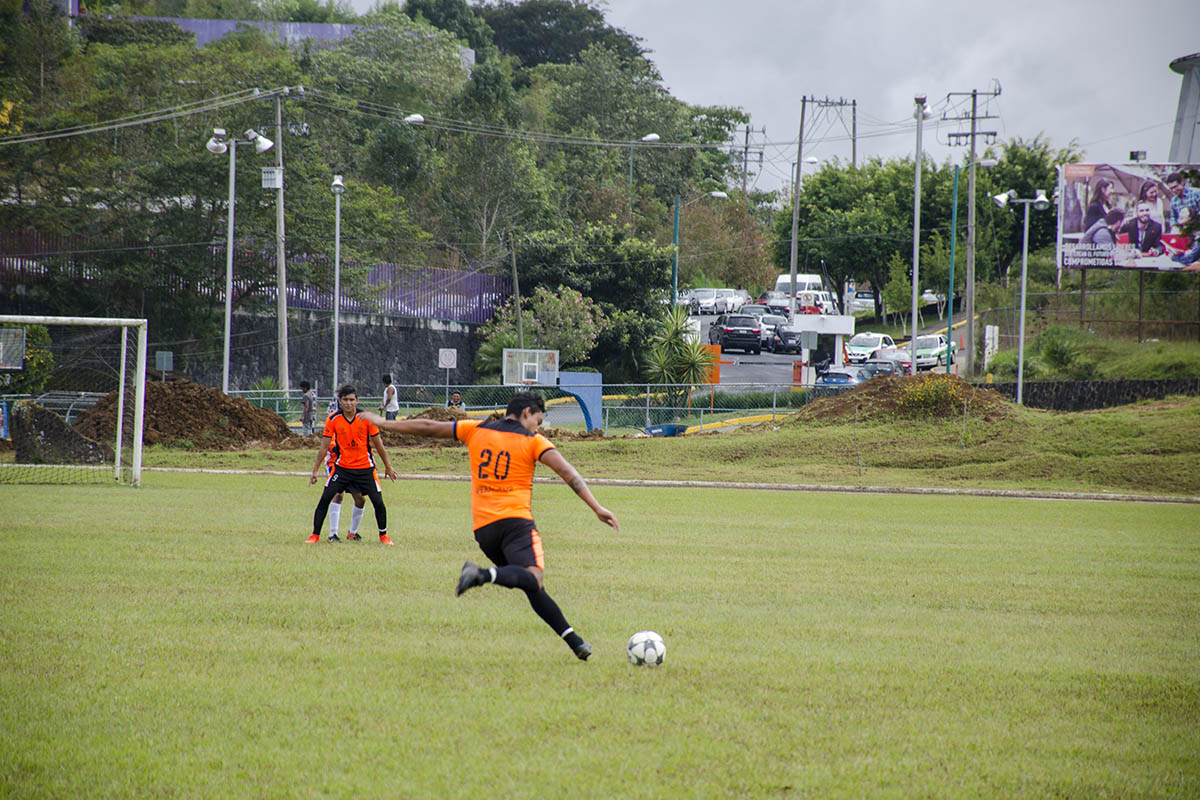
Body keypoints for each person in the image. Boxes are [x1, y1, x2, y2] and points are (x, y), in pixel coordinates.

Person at [361, 393, 619, 661]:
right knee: (532, 578)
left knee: (529, 584)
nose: (538, 428)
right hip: (516, 524)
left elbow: (427, 428)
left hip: (484, 530)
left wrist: (383, 422)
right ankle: (480, 575)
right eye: (538, 421)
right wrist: (597, 507)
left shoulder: (475, 428)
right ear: (527, 412)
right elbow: (568, 473)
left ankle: (575, 643)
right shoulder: (533, 441)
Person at [307, 384, 398, 545]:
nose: (348, 403)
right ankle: (315, 535)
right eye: (345, 400)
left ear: (357, 400)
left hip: (365, 468)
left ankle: (383, 536)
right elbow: (324, 447)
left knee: (377, 501)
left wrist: (388, 466)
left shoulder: (367, 419)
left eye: (351, 400)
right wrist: (315, 470)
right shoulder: (333, 419)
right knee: (326, 498)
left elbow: (378, 445)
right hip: (342, 468)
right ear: (340, 401)